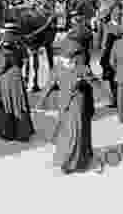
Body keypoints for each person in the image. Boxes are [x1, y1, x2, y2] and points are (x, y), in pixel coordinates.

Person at [38, 38, 96, 174]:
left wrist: (41, 100)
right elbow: (49, 85)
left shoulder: (70, 68)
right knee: (73, 132)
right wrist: (41, 100)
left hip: (73, 104)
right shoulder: (78, 67)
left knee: (72, 132)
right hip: (72, 104)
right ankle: (69, 161)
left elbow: (49, 86)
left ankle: (72, 160)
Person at [0, 29, 35, 142]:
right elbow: (25, 62)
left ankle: (7, 132)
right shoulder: (20, 48)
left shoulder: (2, 51)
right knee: (20, 104)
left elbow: (0, 68)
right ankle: (24, 132)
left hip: (7, 81)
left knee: (7, 105)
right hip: (18, 79)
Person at [98, 2, 123, 108]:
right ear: (112, 14)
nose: (120, 14)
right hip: (109, 56)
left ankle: (117, 100)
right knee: (111, 79)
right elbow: (102, 42)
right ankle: (115, 99)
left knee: (117, 78)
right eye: (117, 12)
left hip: (118, 56)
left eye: (121, 12)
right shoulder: (107, 26)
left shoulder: (121, 26)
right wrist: (103, 56)